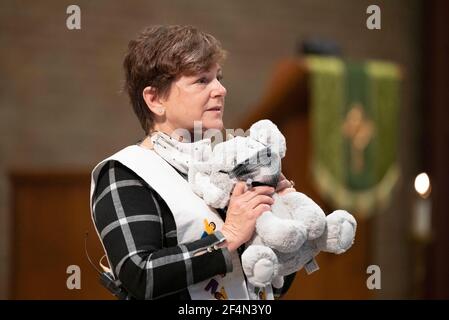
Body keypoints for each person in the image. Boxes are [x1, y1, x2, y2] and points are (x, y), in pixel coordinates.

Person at [90, 25, 296, 300]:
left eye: (218, 78)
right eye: (202, 80)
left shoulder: (226, 170)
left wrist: (282, 220)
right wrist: (228, 237)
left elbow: (268, 288)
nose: (221, 90)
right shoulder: (126, 171)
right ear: (154, 99)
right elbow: (141, 275)